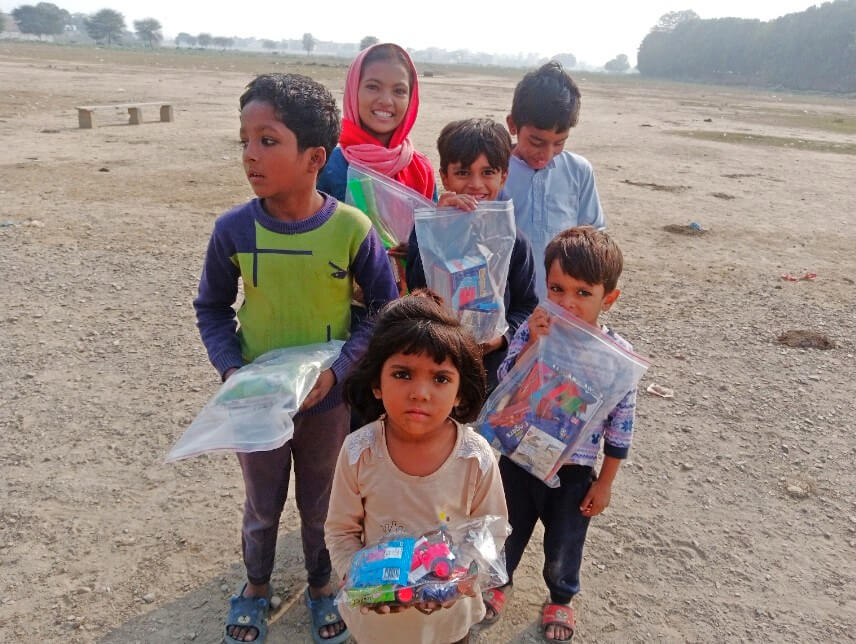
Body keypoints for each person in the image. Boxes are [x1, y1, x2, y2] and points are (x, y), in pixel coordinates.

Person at [193, 73, 399, 644]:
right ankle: (255, 586)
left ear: (315, 157)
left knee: (319, 505)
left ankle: (320, 586)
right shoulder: (233, 229)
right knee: (262, 505)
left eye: (267, 140)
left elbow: (384, 308)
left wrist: (337, 372)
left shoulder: (351, 230)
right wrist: (235, 371)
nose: (250, 156)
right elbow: (211, 307)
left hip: (326, 402)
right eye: (244, 141)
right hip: (255, 404)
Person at [480, 227, 637, 643]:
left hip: (573, 472)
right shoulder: (535, 333)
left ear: (609, 299)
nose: (568, 302)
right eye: (557, 288)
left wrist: (604, 483)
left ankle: (561, 598)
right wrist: (531, 341)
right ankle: (497, 583)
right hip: (518, 459)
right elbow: (505, 381)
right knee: (505, 530)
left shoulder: (616, 359)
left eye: (584, 293)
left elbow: (621, 424)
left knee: (565, 544)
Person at [325, 294, 508, 644]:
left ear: (459, 392)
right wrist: (360, 579)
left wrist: (458, 578)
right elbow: (341, 532)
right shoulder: (359, 452)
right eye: (403, 374)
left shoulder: (475, 457)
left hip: (448, 621)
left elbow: (491, 532)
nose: (420, 392)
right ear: (377, 383)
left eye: (440, 378)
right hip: (378, 621)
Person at [405, 118, 538, 391]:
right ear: (444, 177)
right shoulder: (426, 232)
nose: (476, 184)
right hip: (435, 365)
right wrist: (440, 231)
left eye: (488, 172)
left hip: (490, 373)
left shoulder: (515, 241)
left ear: (504, 176)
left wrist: (501, 338)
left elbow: (526, 306)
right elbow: (415, 290)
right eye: (463, 172)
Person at [502, 61, 606, 300]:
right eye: (537, 142)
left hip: (562, 307)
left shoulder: (578, 171)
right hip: (509, 305)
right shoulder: (493, 173)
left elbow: (593, 236)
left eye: (559, 143)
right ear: (513, 125)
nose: (546, 154)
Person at [317, 42, 436, 202]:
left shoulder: (421, 168)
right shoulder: (325, 163)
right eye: (373, 87)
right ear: (353, 91)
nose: (386, 101)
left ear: (411, 99)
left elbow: (429, 227)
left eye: (399, 91)